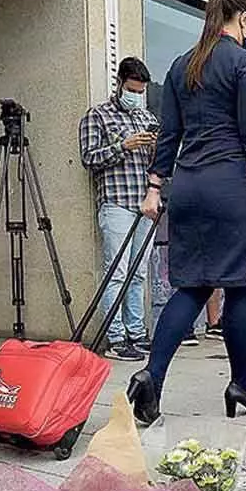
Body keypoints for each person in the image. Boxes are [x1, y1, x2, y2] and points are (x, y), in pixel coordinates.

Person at [129, 0, 246, 426]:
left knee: (192, 286)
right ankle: (243, 385)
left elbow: (168, 135)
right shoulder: (245, 64)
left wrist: (154, 188)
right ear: (244, 19)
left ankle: (152, 375)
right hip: (231, 188)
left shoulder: (182, 65)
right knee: (239, 286)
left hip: (188, 188)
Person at [79, 57, 160, 363]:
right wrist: (123, 146)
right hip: (116, 202)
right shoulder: (97, 115)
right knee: (116, 272)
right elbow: (89, 158)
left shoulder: (145, 116)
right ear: (119, 83)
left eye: (140, 91)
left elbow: (157, 163)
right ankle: (115, 337)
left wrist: (155, 147)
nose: (136, 96)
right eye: (132, 90)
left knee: (139, 273)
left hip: (145, 202)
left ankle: (137, 333)